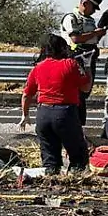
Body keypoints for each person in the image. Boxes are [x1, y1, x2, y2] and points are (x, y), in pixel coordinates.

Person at [20, 33, 92, 176]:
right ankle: (74, 180)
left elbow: (26, 94)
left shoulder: (38, 67)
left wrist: (25, 114)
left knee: (49, 156)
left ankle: (51, 183)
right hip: (65, 113)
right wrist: (88, 66)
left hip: (43, 114)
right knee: (78, 154)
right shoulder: (70, 64)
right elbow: (85, 88)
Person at [60, 0, 105, 125]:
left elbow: (93, 38)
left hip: (89, 58)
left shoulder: (90, 20)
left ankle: (79, 125)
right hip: (75, 58)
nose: (93, 12)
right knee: (75, 92)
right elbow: (75, 38)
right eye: (93, 8)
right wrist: (94, 33)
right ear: (85, 3)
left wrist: (100, 34)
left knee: (85, 91)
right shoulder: (71, 18)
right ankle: (73, 124)